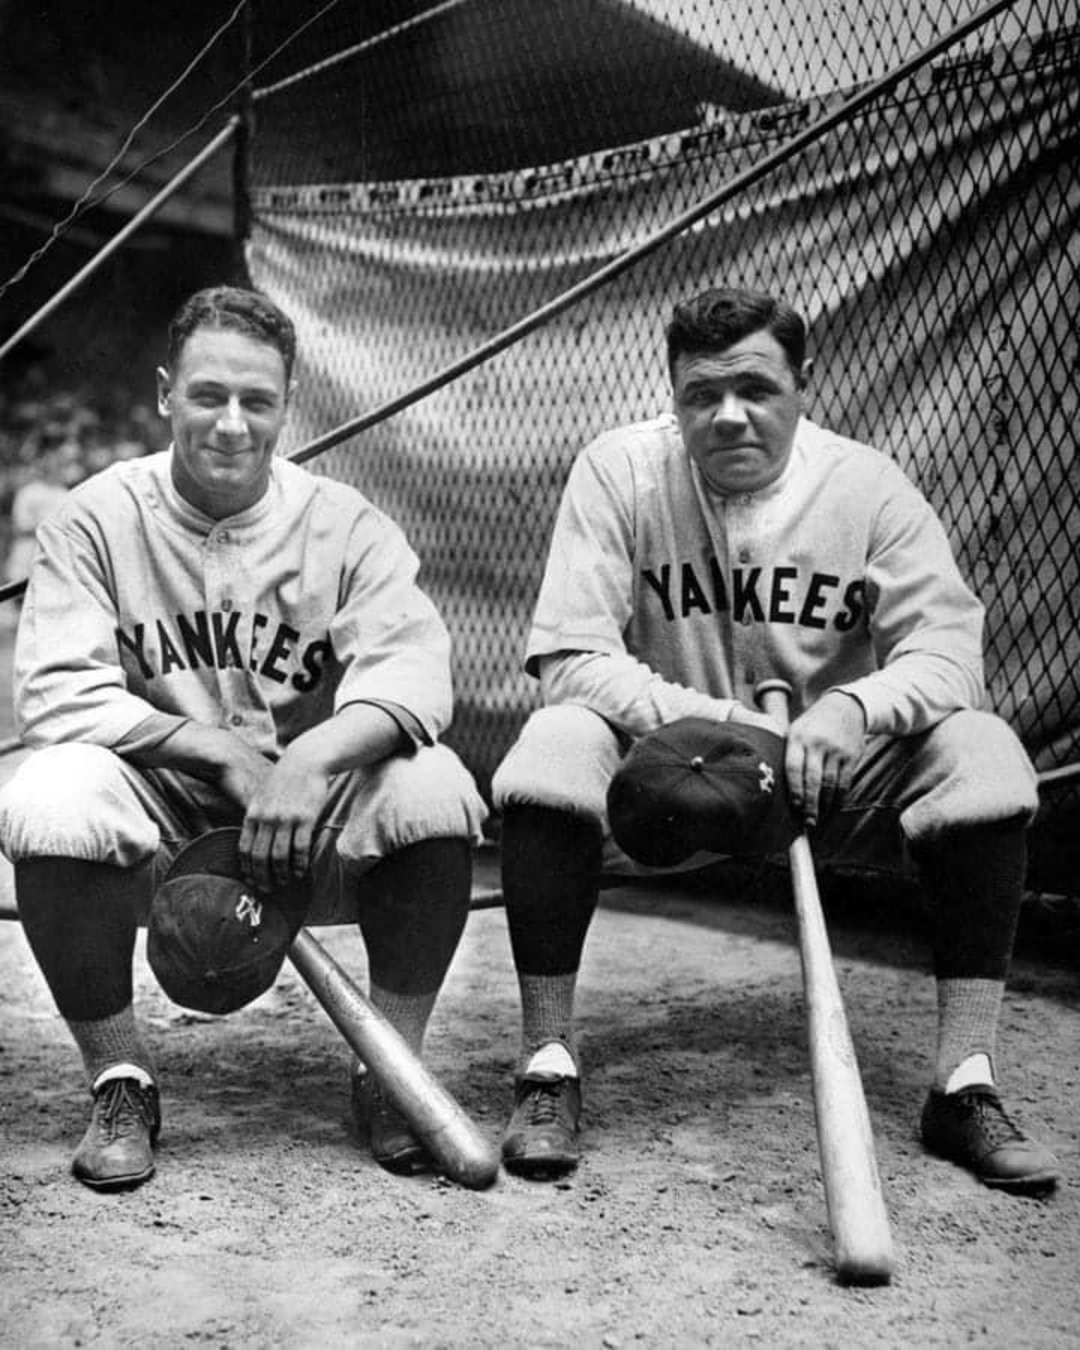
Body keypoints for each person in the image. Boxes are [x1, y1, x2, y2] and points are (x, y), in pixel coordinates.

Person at [490, 285, 1059, 1195]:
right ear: (673, 399)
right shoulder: (621, 470)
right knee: (554, 744)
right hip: (673, 776)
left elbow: (951, 654)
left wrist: (853, 710)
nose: (728, 416)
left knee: (983, 751)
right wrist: (722, 725)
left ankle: (964, 1082)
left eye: (755, 388)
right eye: (700, 396)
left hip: (827, 777)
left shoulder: (866, 484)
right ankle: (547, 1064)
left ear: (803, 384)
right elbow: (570, 659)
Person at [0, 285, 487, 1191]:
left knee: (434, 786)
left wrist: (310, 759)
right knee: (46, 795)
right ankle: (119, 1079)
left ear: (285, 406)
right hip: (154, 814)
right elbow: (58, 693)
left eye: (256, 401)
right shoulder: (95, 516)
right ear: (164, 395)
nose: (231, 424)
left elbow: (415, 673)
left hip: (308, 820)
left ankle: (390, 1068)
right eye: (207, 396)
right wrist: (215, 748)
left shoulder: (344, 523)